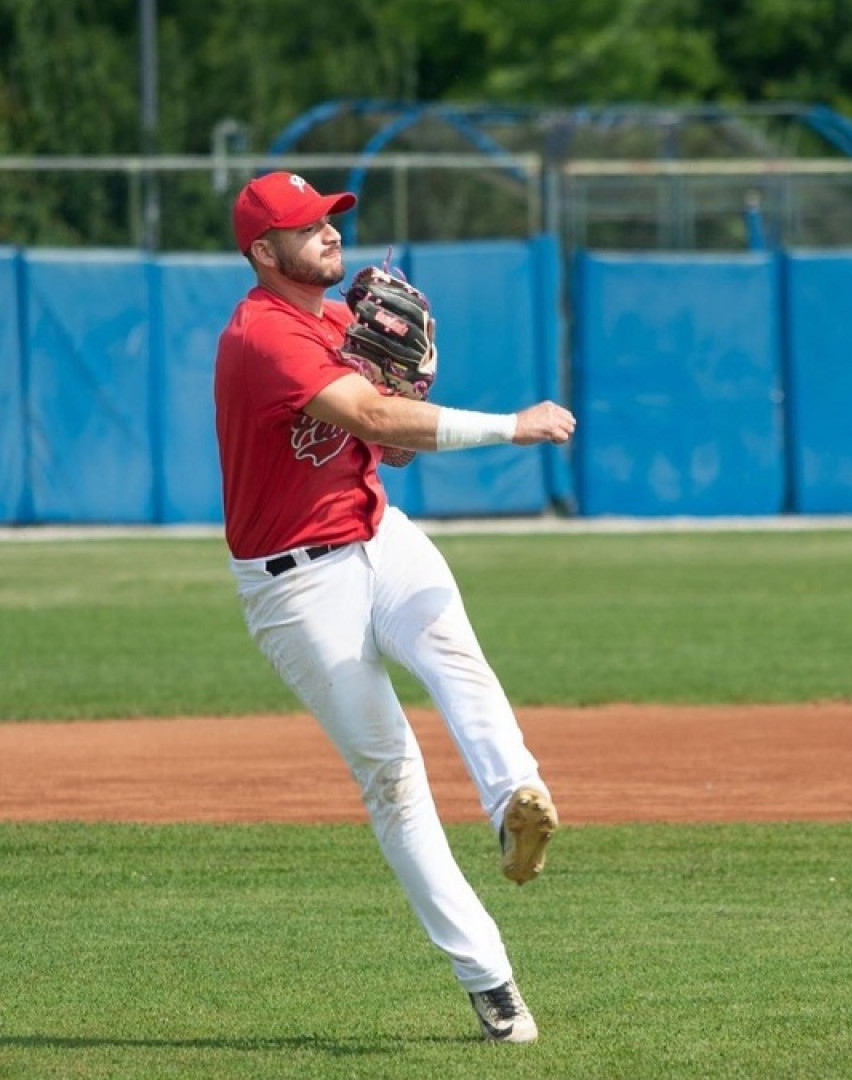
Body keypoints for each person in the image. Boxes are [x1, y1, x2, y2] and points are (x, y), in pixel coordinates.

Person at [213, 171, 573, 1045]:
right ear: (266, 253)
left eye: (331, 218)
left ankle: (515, 800)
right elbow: (369, 411)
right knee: (394, 777)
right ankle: (491, 982)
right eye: (308, 226)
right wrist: (507, 425)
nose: (330, 234)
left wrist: (419, 381)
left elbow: (390, 444)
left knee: (455, 653)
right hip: (297, 585)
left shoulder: (339, 320)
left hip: (378, 534)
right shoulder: (263, 336)